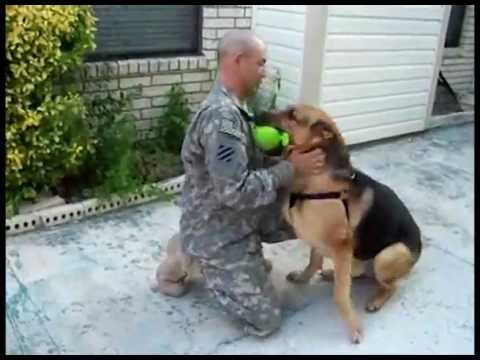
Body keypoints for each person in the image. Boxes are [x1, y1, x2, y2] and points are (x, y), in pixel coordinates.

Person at [165, 30, 325, 337]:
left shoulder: (239, 107)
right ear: (238, 61)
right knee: (265, 320)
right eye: (261, 64)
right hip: (219, 225)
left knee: (312, 213)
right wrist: (290, 169)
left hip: (243, 212)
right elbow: (235, 192)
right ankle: (189, 252)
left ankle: (204, 247)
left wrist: (295, 166)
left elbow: (251, 166)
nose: (265, 72)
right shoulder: (221, 121)